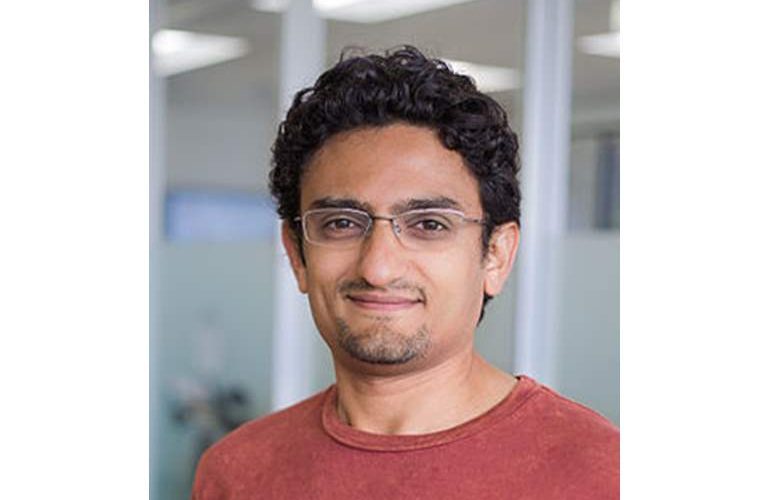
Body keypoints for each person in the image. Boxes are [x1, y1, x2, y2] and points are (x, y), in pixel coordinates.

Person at [191, 46, 619, 499]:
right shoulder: (238, 472)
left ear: (496, 254)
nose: (377, 268)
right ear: (297, 254)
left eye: (429, 224)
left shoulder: (602, 474)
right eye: (341, 223)